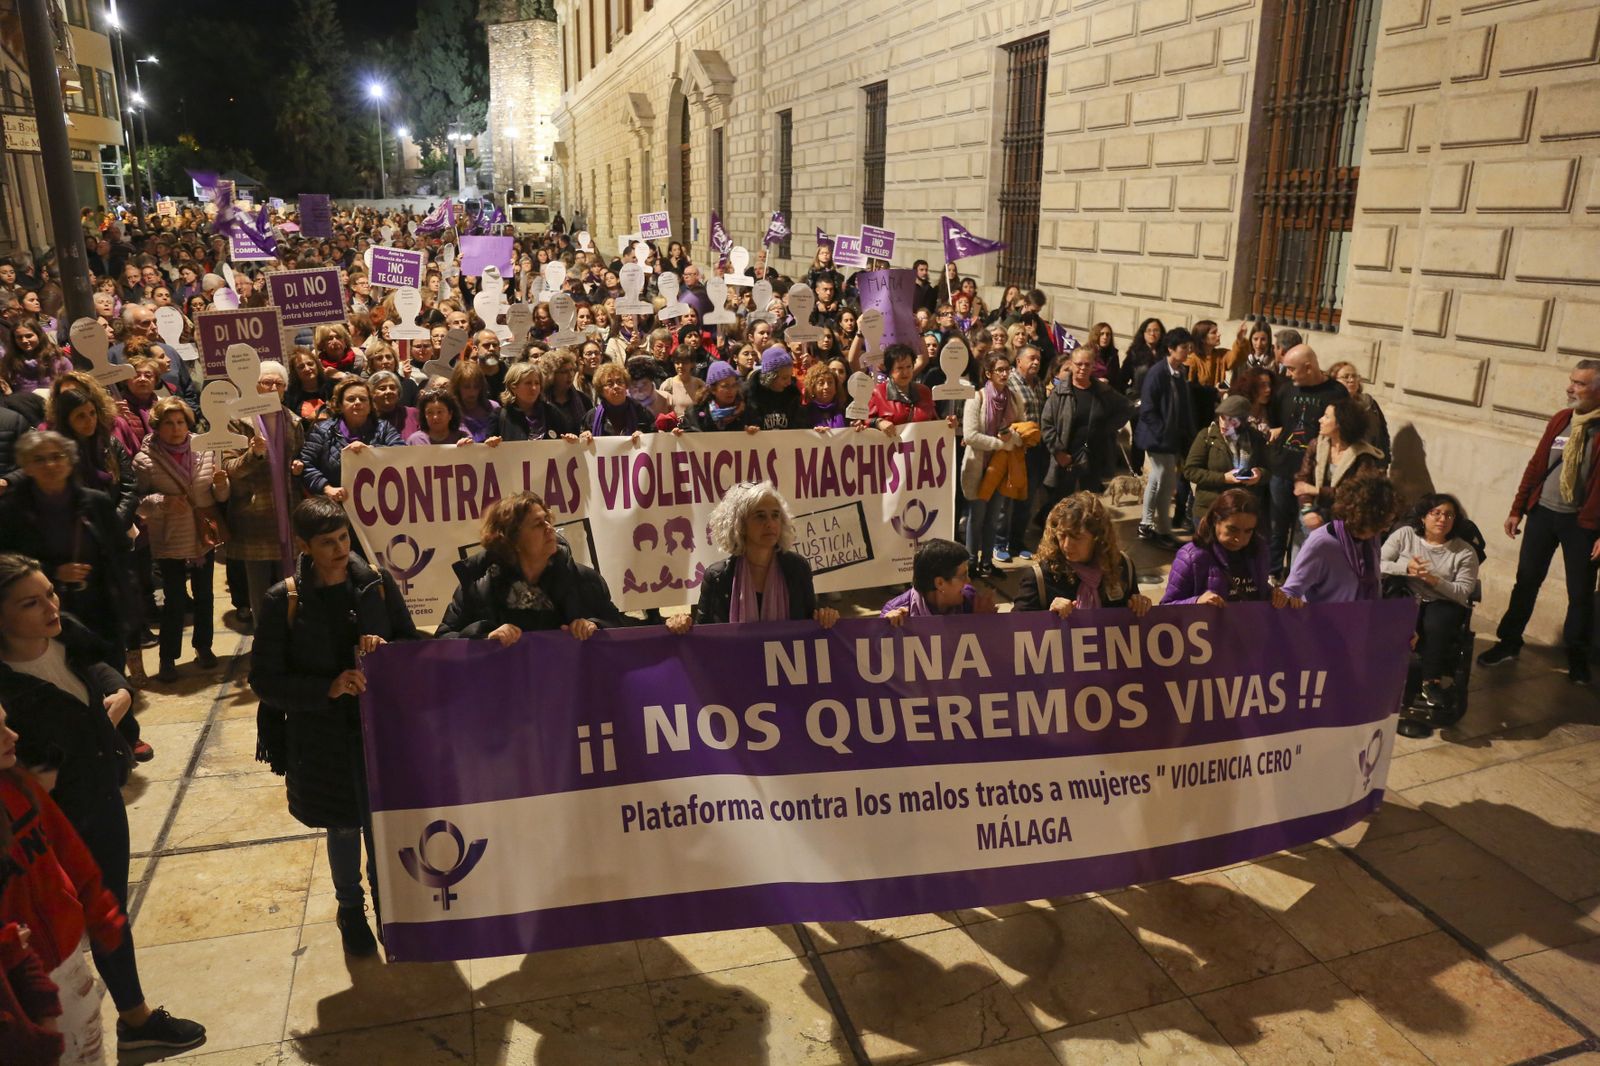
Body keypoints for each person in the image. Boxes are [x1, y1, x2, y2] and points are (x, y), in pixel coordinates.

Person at [0, 556, 205, 1053]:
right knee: (53, 931)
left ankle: (134, 1018)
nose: (51, 606)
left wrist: (117, 686)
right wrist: (27, 777)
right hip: (45, 821)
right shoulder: (5, 684)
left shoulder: (65, 633)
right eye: (32, 602)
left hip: (100, 794)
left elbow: (95, 660)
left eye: (50, 592)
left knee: (109, 908)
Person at [248, 499, 421, 957]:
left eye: (344, 537)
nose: (341, 549)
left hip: (377, 731)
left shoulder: (377, 586)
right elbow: (264, 680)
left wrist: (384, 650)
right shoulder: (283, 600)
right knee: (343, 828)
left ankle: (390, 910)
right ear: (304, 546)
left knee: (381, 826)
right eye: (328, 542)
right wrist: (326, 688)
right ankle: (351, 910)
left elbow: (411, 646)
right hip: (320, 737)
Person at [1, 700, 127, 1066]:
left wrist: (99, 909)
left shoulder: (20, 783)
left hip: (66, 951)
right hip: (17, 978)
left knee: (88, 1048)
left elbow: (68, 848)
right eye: (0, 731)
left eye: (6, 723)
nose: (13, 736)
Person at [1478, 360, 1600, 684]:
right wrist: (1517, 508)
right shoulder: (1562, 420)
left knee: (1581, 593)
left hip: (1582, 524)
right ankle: (1508, 643)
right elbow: (1537, 465)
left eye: (1580, 384)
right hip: (1543, 514)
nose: (1570, 387)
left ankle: (1577, 659)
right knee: (1527, 581)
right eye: (1571, 380)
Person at [436, 492, 629, 642]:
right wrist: (483, 636)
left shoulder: (584, 579)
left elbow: (622, 629)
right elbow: (443, 639)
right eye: (538, 524)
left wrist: (594, 626)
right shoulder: (478, 585)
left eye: (547, 519)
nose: (549, 528)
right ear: (512, 539)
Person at [133, 397, 229, 683]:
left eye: (181, 422)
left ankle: (204, 646)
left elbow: (219, 496)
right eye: (169, 423)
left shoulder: (205, 449)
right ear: (157, 426)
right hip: (170, 536)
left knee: (205, 596)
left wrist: (222, 484)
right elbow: (137, 502)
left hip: (203, 533)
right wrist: (161, 501)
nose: (176, 429)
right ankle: (167, 657)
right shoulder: (145, 459)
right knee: (174, 601)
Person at [668, 482, 839, 628]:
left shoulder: (798, 568)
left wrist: (825, 617)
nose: (770, 523)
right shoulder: (717, 576)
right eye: (760, 516)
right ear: (739, 524)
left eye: (775, 515)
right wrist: (681, 625)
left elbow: (811, 626)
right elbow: (702, 637)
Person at [221, 361, 306, 624]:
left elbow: (301, 457)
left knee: (292, 588)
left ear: (284, 389)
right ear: (254, 386)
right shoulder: (237, 422)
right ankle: (263, 644)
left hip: (289, 516)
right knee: (260, 593)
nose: (271, 388)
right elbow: (227, 467)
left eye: (278, 384)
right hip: (254, 516)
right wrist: (253, 455)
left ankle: (292, 640)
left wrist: (299, 466)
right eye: (265, 382)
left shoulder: (294, 421)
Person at [1382, 494, 1480, 716]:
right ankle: (1385, 676)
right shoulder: (1405, 535)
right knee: (1397, 617)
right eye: (1435, 513)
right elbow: (1378, 563)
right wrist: (1407, 568)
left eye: (1448, 515)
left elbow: (1463, 591)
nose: (1442, 519)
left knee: (1438, 624)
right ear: (1423, 517)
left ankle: (1430, 682)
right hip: (1406, 592)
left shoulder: (1464, 552)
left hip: (1443, 600)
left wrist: (1433, 579)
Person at [1268, 344, 1347, 575]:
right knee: (1277, 528)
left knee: (1307, 529)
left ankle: (1298, 577)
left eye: (1292, 369)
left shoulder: (1336, 393)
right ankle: (1272, 574)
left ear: (1309, 367)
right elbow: (1275, 420)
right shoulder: (1286, 389)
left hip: (1314, 476)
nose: (1288, 374)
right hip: (1282, 470)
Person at [1014, 493, 1152, 618]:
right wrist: (1049, 616)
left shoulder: (1121, 566)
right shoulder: (1039, 577)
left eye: (1076, 537)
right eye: (1062, 535)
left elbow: (1130, 620)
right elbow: (1015, 630)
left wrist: (1139, 604)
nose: (1067, 545)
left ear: (1097, 538)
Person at [1163, 489, 1298, 607]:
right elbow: (1166, 608)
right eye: (1232, 529)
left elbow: (1256, 591)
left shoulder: (1258, 550)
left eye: (1248, 531)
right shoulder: (1192, 557)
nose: (1240, 538)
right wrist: (1197, 602)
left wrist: (1275, 596)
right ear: (1216, 520)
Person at [1280, 476, 1400, 603]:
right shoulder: (1321, 544)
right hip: (1326, 621)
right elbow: (1290, 591)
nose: (1385, 529)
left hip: (1365, 619)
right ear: (1364, 517)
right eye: (1382, 523)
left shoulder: (1371, 539)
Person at [961, 353, 1027, 577]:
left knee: (994, 518)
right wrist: (1000, 443)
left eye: (1007, 369)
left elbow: (1022, 431)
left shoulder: (1014, 398)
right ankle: (971, 562)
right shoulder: (977, 398)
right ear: (988, 373)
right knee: (976, 517)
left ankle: (987, 562)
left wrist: (1013, 439)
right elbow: (970, 435)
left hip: (1002, 467)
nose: (1004, 373)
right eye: (999, 369)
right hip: (979, 466)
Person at [1041, 344, 1130, 509]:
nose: (1082, 368)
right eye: (1078, 364)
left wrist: (1108, 427)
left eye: (1087, 364)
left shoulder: (1102, 391)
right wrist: (1058, 451)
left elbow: (1126, 408)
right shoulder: (1059, 391)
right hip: (1066, 458)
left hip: (1092, 458)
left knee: (1087, 505)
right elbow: (1046, 424)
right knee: (1062, 506)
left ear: (1093, 366)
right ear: (1072, 364)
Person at [1134, 327, 1196, 549]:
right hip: (1157, 438)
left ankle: (1150, 524)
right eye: (1184, 348)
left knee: (1160, 480)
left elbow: (1184, 405)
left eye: (1189, 347)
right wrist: (1162, 431)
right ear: (1171, 349)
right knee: (1163, 479)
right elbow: (1148, 409)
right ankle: (1158, 527)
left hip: (1171, 439)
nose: (1188, 352)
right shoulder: (1157, 372)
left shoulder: (1180, 372)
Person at [299, 377, 403, 502]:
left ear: (370, 405)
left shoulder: (384, 427)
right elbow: (306, 464)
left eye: (363, 399)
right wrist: (327, 488)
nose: (357, 402)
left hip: (380, 502)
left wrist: (372, 450)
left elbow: (402, 453)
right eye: (351, 399)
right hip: (335, 505)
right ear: (340, 406)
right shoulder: (322, 430)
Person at [1294, 397, 1384, 530]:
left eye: (1326, 417)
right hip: (1315, 510)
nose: (1320, 420)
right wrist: (1307, 511)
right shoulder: (1317, 444)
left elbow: (1358, 494)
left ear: (1340, 424)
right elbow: (1302, 481)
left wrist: (1318, 491)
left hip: (1345, 519)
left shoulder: (1362, 456)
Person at [1184, 393, 1268, 517]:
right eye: (1222, 417)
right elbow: (1190, 471)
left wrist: (1259, 474)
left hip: (1242, 509)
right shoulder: (1207, 436)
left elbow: (1268, 469)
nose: (1224, 424)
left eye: (1231, 420)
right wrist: (1223, 478)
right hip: (1210, 509)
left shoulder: (1255, 438)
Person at [881, 538, 998, 623]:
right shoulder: (896, 610)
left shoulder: (971, 600)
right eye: (963, 576)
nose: (968, 581)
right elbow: (877, 652)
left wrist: (984, 623)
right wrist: (886, 628)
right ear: (940, 583)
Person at [1328, 360, 1391, 464]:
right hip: (1339, 462)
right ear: (1334, 381)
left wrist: (1384, 462)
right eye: (1345, 377)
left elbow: (1382, 434)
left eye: (1354, 376)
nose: (1351, 380)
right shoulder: (1330, 406)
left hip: (1368, 463)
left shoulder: (1369, 403)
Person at [868, 344, 939, 429]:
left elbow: (935, 421)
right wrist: (878, 422)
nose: (905, 372)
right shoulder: (878, 392)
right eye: (900, 368)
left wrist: (948, 424)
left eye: (908, 367)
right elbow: (864, 421)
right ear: (890, 370)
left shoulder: (924, 391)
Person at [743, 347, 805, 430]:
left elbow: (801, 426)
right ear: (770, 377)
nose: (789, 382)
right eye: (784, 378)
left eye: (790, 376)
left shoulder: (793, 394)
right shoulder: (750, 394)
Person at [689, 361, 752, 433]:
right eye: (725, 386)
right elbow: (687, 433)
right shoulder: (695, 412)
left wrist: (751, 432)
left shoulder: (745, 411)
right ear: (713, 389)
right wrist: (678, 433)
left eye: (734, 385)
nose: (731, 390)